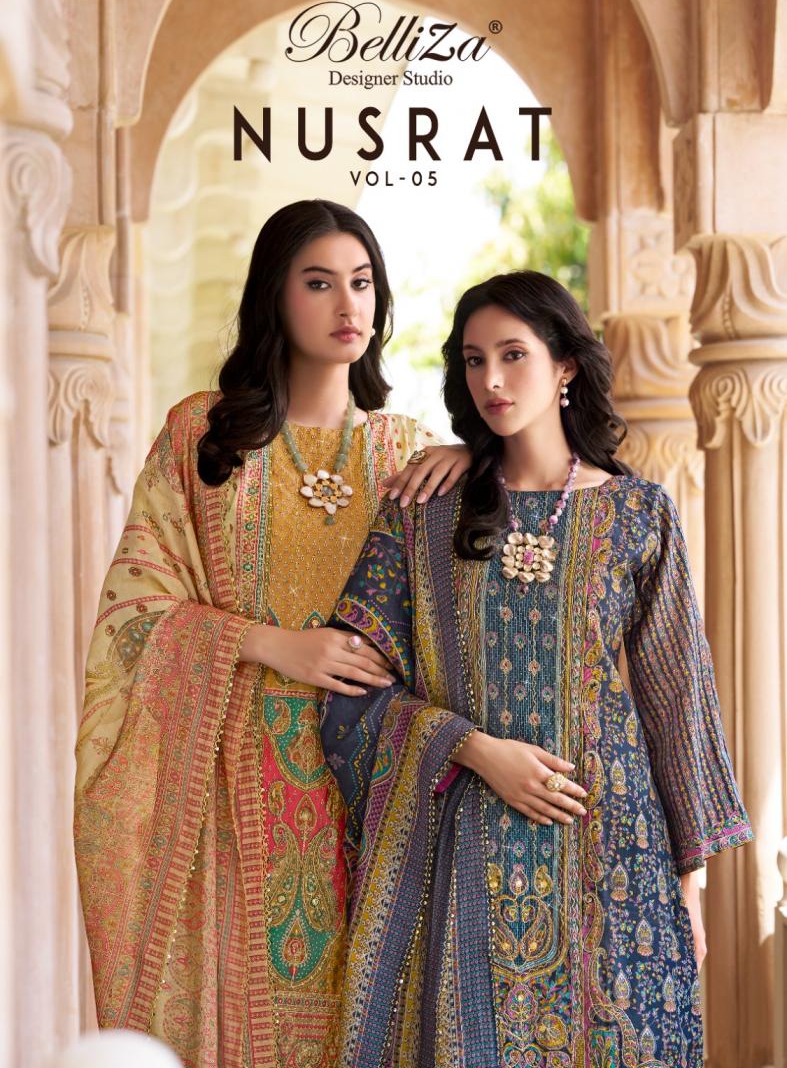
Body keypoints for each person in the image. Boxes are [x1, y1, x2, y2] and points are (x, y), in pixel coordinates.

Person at [320, 270, 754, 1068]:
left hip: (615, 855)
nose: (489, 379)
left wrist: (687, 887)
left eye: (512, 355)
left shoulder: (638, 513)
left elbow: (677, 701)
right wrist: (473, 749)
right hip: (464, 846)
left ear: (565, 367)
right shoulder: (424, 510)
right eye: (473, 359)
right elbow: (352, 686)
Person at [74, 199, 470, 1068]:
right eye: (319, 283)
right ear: (274, 298)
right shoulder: (203, 436)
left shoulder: (407, 454)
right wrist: (267, 643)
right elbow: (132, 613)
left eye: (361, 283)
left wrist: (474, 456)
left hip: (370, 787)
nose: (347, 305)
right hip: (228, 785)